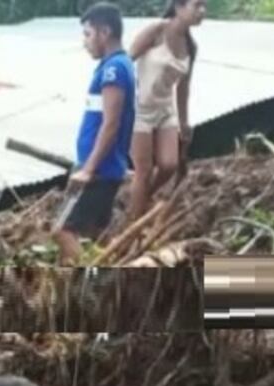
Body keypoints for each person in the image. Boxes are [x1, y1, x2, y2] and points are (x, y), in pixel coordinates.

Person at [55, 3, 136, 266]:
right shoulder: (114, 66)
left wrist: (88, 169)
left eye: (88, 34)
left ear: (105, 32)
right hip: (103, 167)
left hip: (98, 169)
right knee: (97, 233)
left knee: (61, 230)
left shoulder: (114, 69)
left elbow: (111, 123)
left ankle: (85, 293)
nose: (85, 42)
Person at [127, 0, 206, 224]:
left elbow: (183, 88)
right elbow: (124, 62)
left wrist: (184, 122)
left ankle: (142, 200)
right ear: (179, 7)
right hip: (139, 108)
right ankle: (134, 222)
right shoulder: (156, 31)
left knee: (169, 165)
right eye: (197, 5)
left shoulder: (191, 46)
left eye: (204, 6)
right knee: (144, 169)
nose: (202, 11)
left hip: (165, 110)